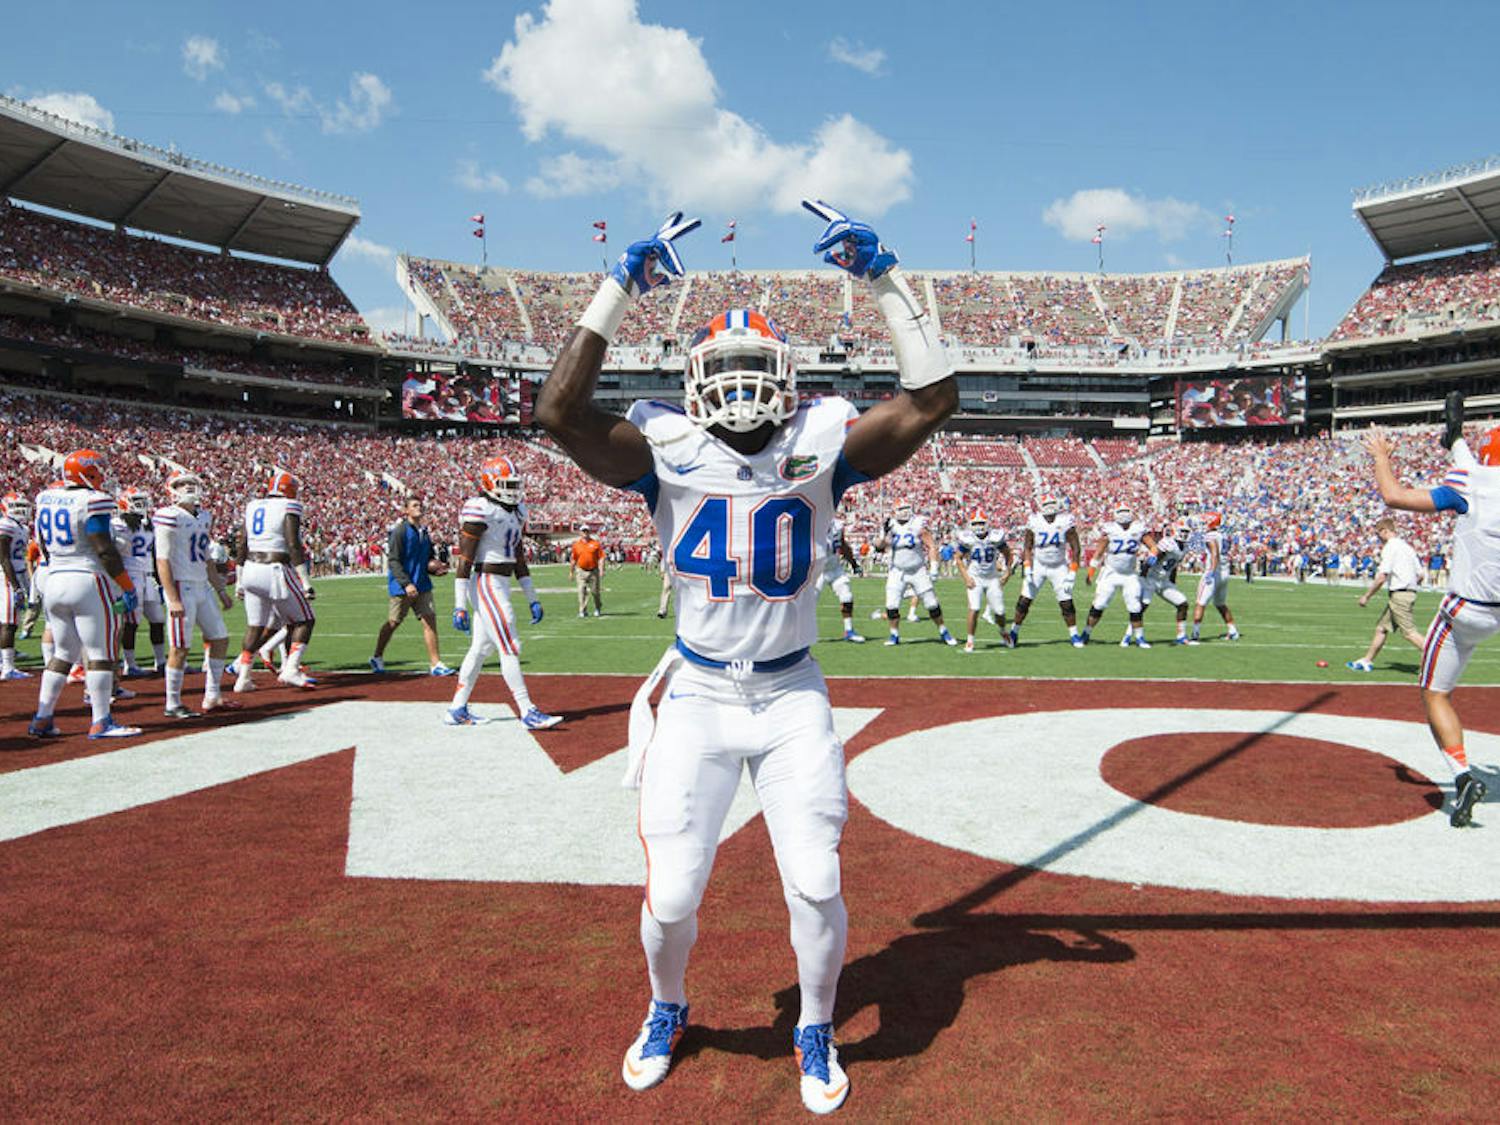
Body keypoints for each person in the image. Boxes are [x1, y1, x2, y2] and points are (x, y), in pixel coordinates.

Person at [534, 202, 956, 1114]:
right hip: (696, 695)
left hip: (791, 694)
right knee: (675, 894)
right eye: (721, 371)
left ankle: (813, 1022)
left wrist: (884, 278)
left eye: (752, 370)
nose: (737, 388)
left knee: (816, 878)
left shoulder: (822, 449)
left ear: (789, 379)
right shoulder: (665, 452)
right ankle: (668, 1004)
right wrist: (616, 287)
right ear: (692, 384)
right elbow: (557, 411)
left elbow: (930, 400)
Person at [1366, 401, 1497, 827]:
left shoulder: (1473, 481)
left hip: (1464, 610)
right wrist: (1455, 438)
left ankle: (1462, 777)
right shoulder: (1476, 475)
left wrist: (1382, 458)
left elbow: (1395, 497)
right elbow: (1470, 463)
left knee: (1435, 692)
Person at [28, 450, 141, 739]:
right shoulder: (94, 500)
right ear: (88, 472)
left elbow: (40, 541)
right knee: (100, 652)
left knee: (63, 653)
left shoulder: (45, 497)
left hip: (54, 577)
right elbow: (104, 549)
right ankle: (101, 720)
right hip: (88, 578)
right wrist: (127, 585)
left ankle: (43, 717)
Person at [445, 455, 559, 730]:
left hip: (501, 582)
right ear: (489, 482)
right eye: (506, 484)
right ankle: (527, 710)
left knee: (480, 648)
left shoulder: (517, 510)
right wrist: (459, 603)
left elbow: (518, 557)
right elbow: (465, 560)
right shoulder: (480, 509)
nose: (513, 490)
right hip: (485, 581)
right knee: (509, 645)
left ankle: (457, 707)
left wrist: (532, 596)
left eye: (514, 484)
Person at [155, 470, 235, 718]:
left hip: (202, 586)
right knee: (180, 647)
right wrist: (173, 598)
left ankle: (212, 695)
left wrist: (220, 590)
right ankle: (172, 702)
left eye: (192, 483)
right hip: (181, 586)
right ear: (172, 489)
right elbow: (162, 560)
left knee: (220, 638)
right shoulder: (168, 516)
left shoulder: (204, 517)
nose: (189, 487)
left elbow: (206, 558)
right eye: (183, 484)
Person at [233, 469, 317, 692]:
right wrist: (305, 581)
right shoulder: (289, 506)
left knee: (255, 626)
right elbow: (293, 544)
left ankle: (243, 678)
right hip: (275, 568)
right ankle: (291, 668)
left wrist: (239, 580)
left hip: (250, 569)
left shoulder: (253, 505)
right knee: (305, 620)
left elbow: (242, 544)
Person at [370, 496, 454, 675]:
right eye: (414, 505)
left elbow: (428, 558)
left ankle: (435, 663)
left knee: (429, 620)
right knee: (393, 622)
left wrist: (436, 568)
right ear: (406, 510)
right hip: (402, 586)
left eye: (420, 505)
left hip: (422, 584)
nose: (419, 507)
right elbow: (394, 560)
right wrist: (406, 583)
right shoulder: (399, 531)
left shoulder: (424, 532)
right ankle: (377, 656)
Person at [1345, 517, 1426, 672]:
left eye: (1378, 534)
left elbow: (1382, 576)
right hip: (1405, 593)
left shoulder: (1390, 547)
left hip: (1400, 595)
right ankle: (1367, 661)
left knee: (1409, 633)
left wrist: (1366, 596)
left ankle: (1439, 659)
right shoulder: (1407, 548)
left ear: (1385, 531)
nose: (1378, 538)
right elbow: (1421, 575)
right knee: (1381, 628)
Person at [876, 501, 957, 646]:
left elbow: (931, 544)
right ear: (895, 511)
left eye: (906, 508)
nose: (905, 511)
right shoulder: (890, 525)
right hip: (897, 571)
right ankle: (894, 635)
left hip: (918, 570)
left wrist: (933, 567)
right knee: (891, 605)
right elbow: (879, 547)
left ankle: (944, 631)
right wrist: (885, 535)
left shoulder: (917, 523)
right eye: (901, 508)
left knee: (932, 604)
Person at [1009, 495, 1083, 647]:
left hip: (1059, 566)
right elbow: (1028, 546)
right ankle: (1014, 632)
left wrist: (1072, 572)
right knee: (1024, 601)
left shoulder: (1065, 521)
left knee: (1066, 602)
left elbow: (1076, 549)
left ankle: (1074, 634)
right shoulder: (1035, 521)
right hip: (1039, 565)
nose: (1049, 507)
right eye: (1046, 504)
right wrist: (1028, 568)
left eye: (1051, 504)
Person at [111, 487, 166, 676]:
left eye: (143, 501)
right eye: (137, 501)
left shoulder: (149, 524)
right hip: (131, 575)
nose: (142, 506)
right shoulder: (118, 523)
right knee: (130, 622)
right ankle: (130, 664)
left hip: (148, 576)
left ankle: (161, 662)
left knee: (158, 619)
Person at [1082, 505, 1154, 648]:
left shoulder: (1138, 528)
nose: (1124, 515)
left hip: (1129, 574)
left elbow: (1153, 546)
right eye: (1121, 512)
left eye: (1126, 511)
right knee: (1099, 604)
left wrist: (1153, 555)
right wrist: (1090, 572)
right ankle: (1086, 633)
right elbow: (1099, 552)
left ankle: (1139, 638)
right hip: (1111, 572)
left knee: (1135, 606)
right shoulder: (1110, 529)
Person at [955, 508, 1013, 652]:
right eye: (975, 523)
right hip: (975, 578)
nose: (979, 526)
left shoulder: (995, 537)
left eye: (981, 523)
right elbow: (958, 558)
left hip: (992, 577)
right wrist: (966, 578)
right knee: (974, 608)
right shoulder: (968, 539)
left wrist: (1007, 571)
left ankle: (1003, 631)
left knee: (999, 611)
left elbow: (1008, 553)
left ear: (987, 523)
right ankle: (970, 641)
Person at [1135, 522, 1191, 645]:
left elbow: (1174, 566)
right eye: (1182, 531)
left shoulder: (1185, 547)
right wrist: (1143, 576)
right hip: (1151, 578)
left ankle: (1181, 636)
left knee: (1182, 604)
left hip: (1164, 581)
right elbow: (1153, 558)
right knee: (1141, 607)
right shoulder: (1168, 543)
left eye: (1187, 532)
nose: (1184, 534)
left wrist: (1172, 582)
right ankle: (1130, 635)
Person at [1188, 511, 1240, 643]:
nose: (1204, 523)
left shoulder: (1210, 536)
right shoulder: (1223, 535)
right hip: (1224, 572)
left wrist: (1211, 570)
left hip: (1214, 572)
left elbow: (1215, 554)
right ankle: (1233, 630)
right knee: (1220, 604)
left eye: (1206, 520)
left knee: (1200, 602)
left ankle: (1195, 634)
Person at [819, 513, 866, 642]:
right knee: (808, 603)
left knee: (847, 596)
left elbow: (843, 546)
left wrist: (854, 564)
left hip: (834, 568)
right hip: (816, 571)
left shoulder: (837, 525)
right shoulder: (810, 524)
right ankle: (800, 635)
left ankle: (849, 631)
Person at [0, 491, 32, 679]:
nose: (21, 510)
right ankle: (8, 667)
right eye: (17, 507)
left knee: (8, 621)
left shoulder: (19, 526)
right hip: (7, 576)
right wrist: (16, 585)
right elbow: (3, 557)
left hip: (14, 574)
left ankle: (5, 661)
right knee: (9, 623)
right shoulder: (5, 524)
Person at [571, 523, 606, 617]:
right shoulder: (576, 545)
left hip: (593, 570)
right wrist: (571, 572)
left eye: (587, 531)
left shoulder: (595, 544)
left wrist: (602, 569)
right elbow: (574, 558)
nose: (585, 533)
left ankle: (597, 608)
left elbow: (602, 557)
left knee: (595, 592)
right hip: (581, 570)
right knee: (581, 590)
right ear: (580, 533)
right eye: (583, 531)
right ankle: (582, 610)